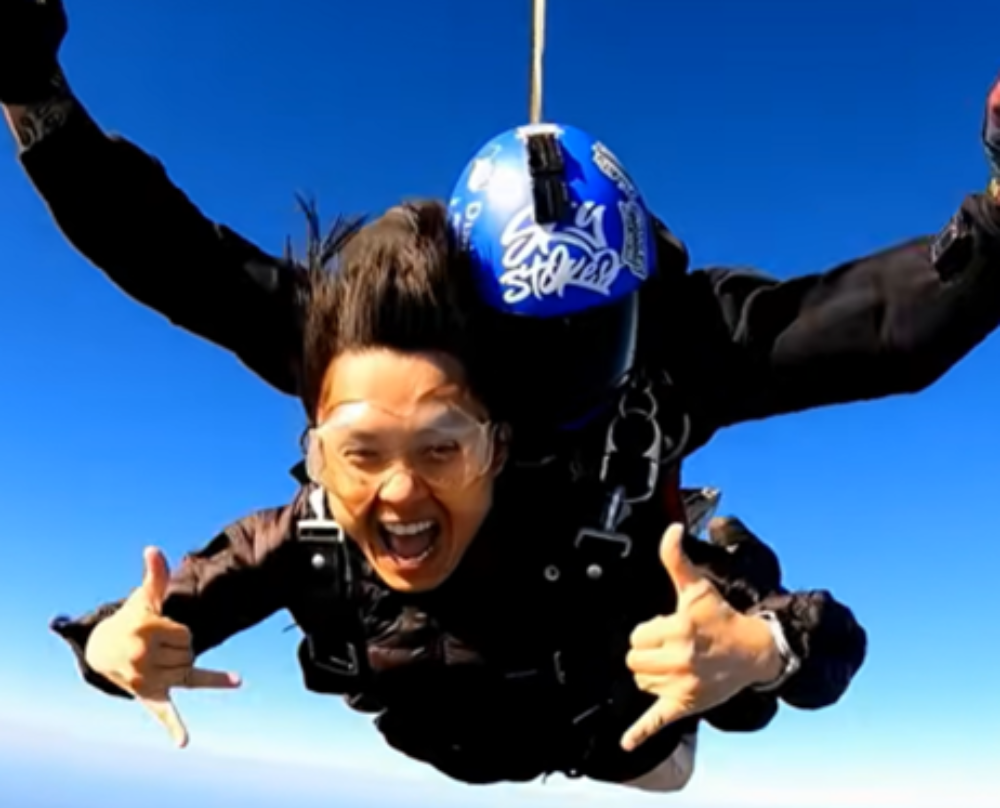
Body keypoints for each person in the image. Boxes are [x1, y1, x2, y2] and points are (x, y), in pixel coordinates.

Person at [50, 205, 867, 792]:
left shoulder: (586, 536)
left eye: (443, 449)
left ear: (496, 449)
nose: (401, 491)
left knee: (685, 736)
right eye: (360, 451)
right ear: (320, 457)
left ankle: (730, 546)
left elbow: (827, 641)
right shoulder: (310, 539)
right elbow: (157, 615)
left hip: (603, 738)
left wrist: (764, 649)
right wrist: (109, 649)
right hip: (449, 733)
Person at [4, 2, 1000, 465]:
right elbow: (181, 264)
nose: (558, 378)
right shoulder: (396, 341)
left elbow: (883, 327)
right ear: (466, 303)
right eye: (528, 338)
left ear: (635, 298)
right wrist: (34, 96)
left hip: (590, 671)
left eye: (592, 332)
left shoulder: (681, 344)